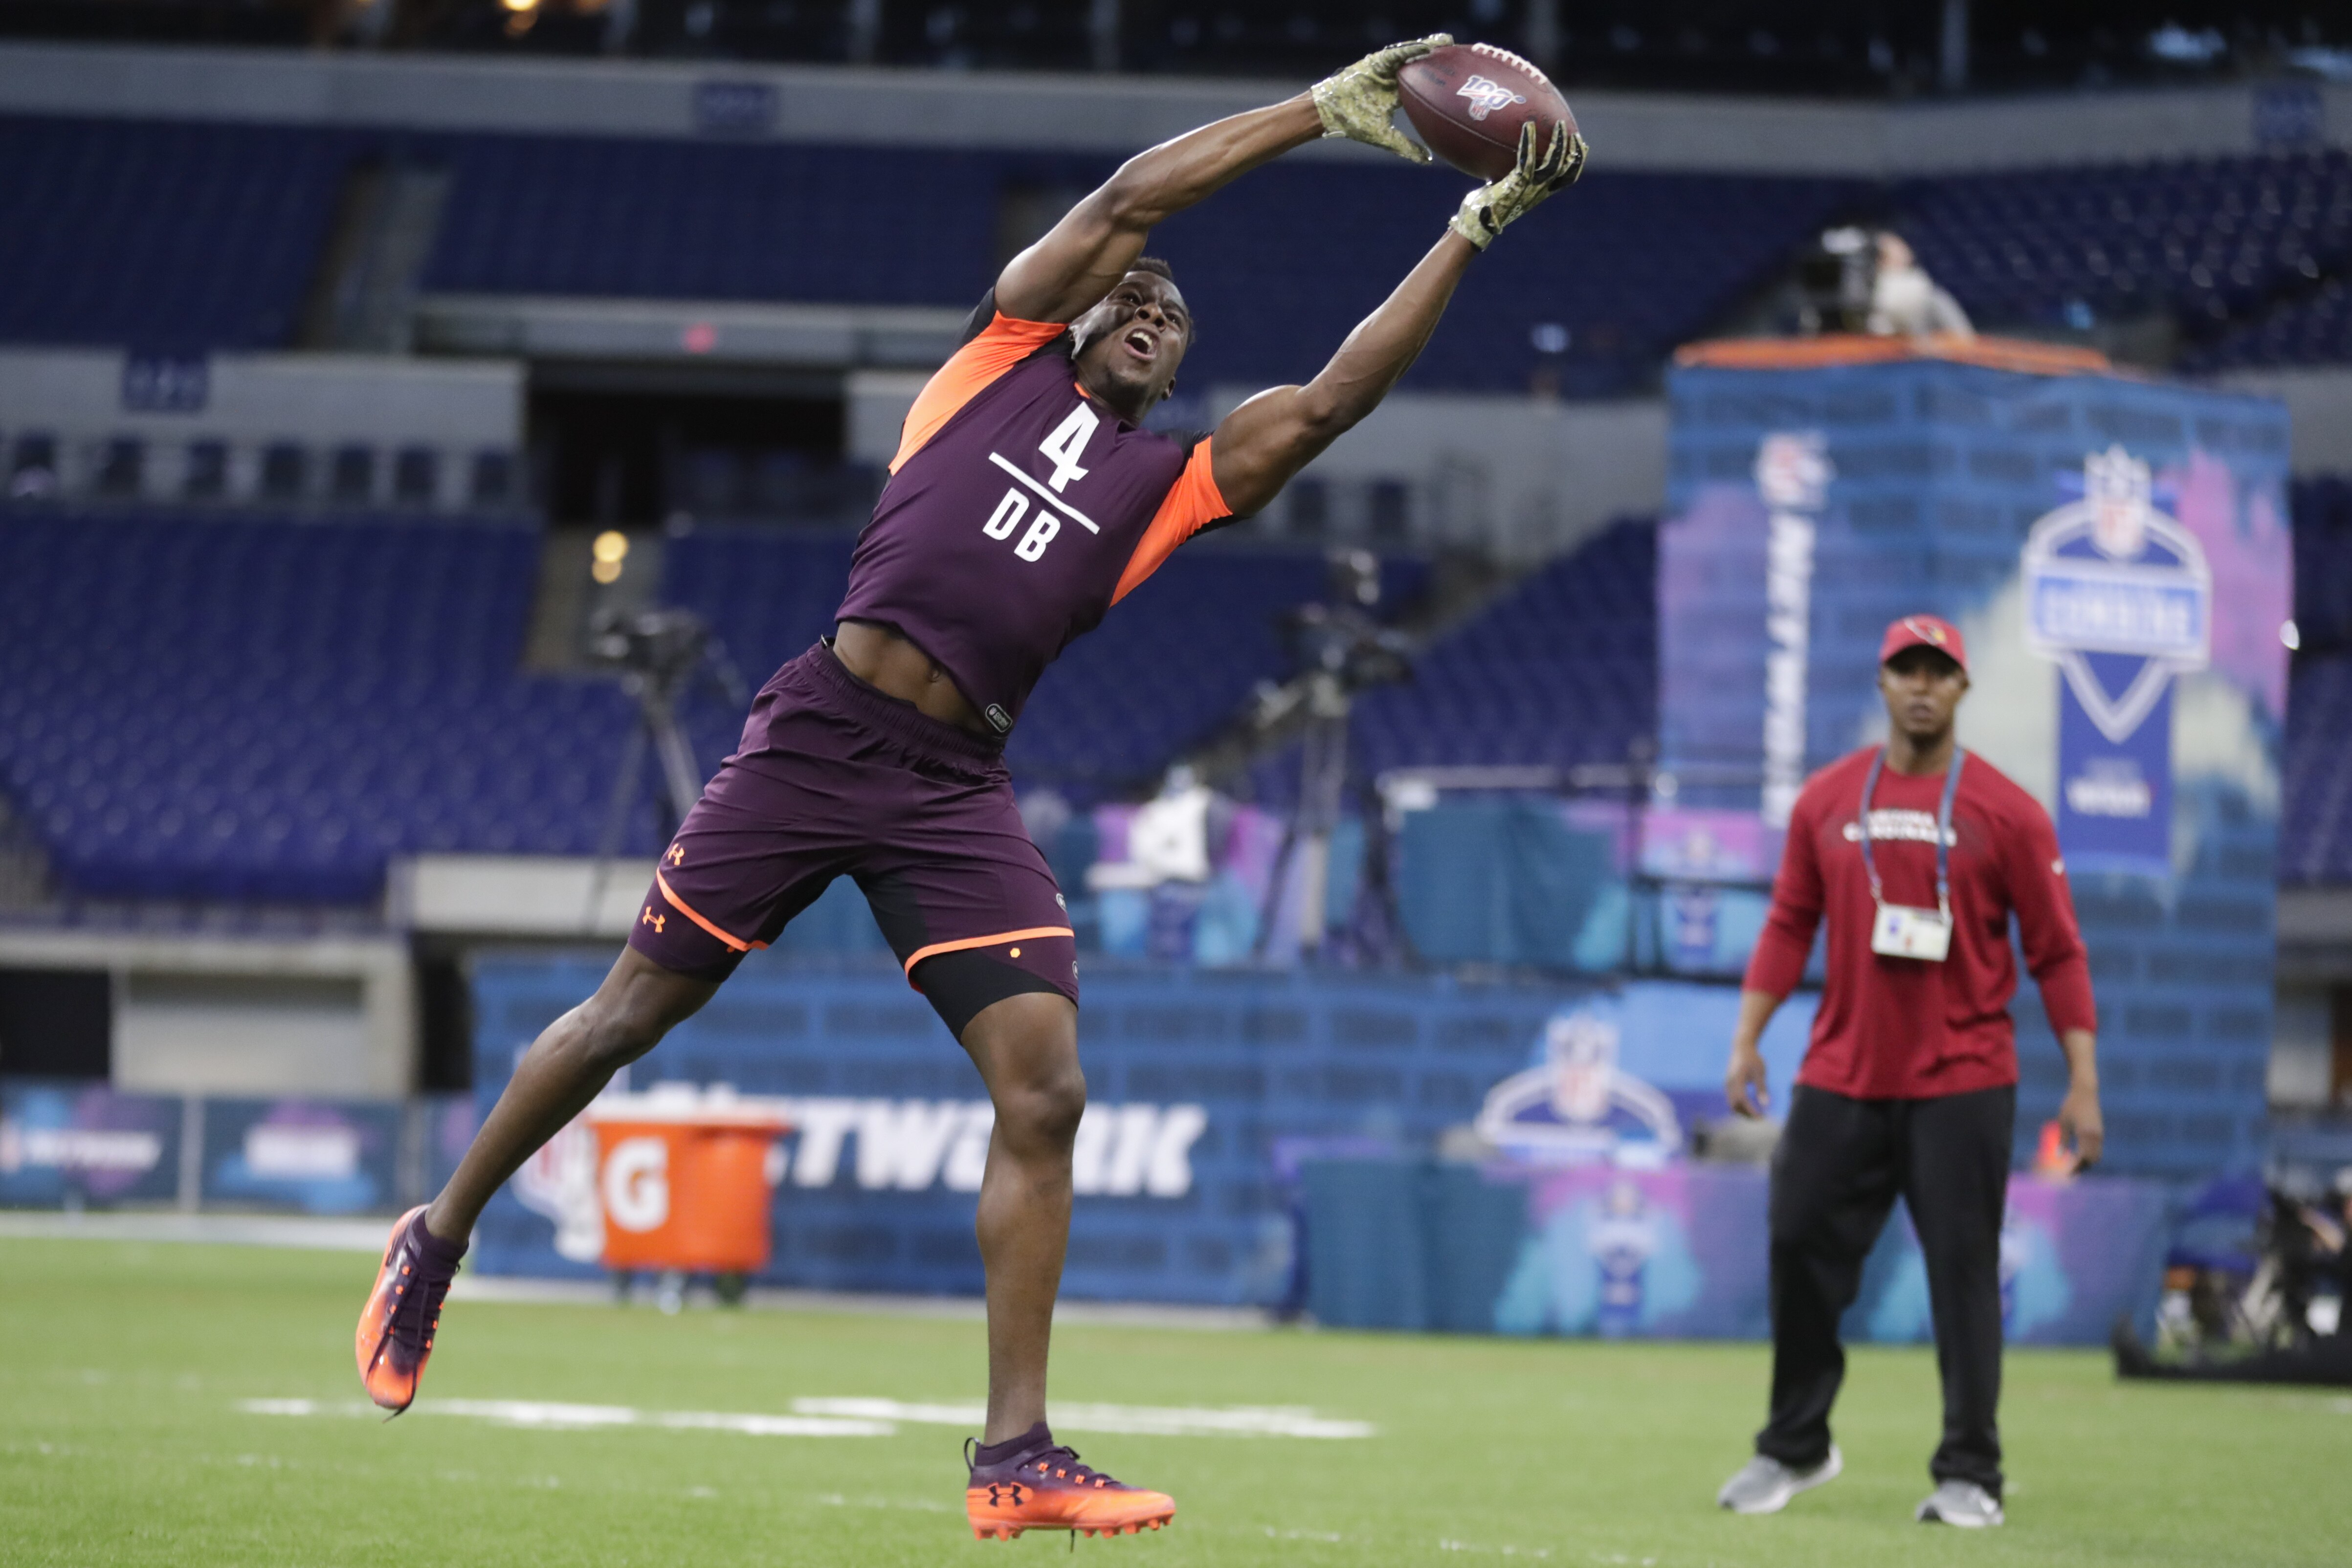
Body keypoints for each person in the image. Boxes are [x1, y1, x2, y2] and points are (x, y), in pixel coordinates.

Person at [355, 35, 1586, 1543]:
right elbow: (1131, 203)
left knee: (1047, 1090)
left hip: (949, 787)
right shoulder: (992, 362)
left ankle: (1016, 1452)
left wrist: (1467, 229)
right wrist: (1316, 114)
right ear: (1084, 314)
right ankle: (437, 1235)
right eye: (1134, 297)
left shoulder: (1168, 487)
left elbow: (1329, 402)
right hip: (817, 736)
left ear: (1178, 369)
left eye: (1174, 320)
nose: (1151, 311)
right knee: (625, 1016)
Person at [1713, 614, 2102, 1529]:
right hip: (1841, 1071)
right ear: (1883, 682)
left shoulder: (2009, 812)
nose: (1922, 686)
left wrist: (2083, 1079)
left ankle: (1971, 1471)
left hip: (1963, 1077)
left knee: (1962, 1271)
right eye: (1906, 670)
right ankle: (1795, 1445)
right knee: (1796, 1236)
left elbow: (2057, 952)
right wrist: (1746, 1037)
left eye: (1938, 671)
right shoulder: (1826, 799)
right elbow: (1787, 922)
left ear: (1962, 687)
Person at [1868, 231, 1974, 339]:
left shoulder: (1919, 281)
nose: (1903, 251)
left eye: (1901, 247)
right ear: (1880, 258)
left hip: (1927, 339)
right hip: (1889, 341)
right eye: (1896, 250)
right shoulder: (1878, 286)